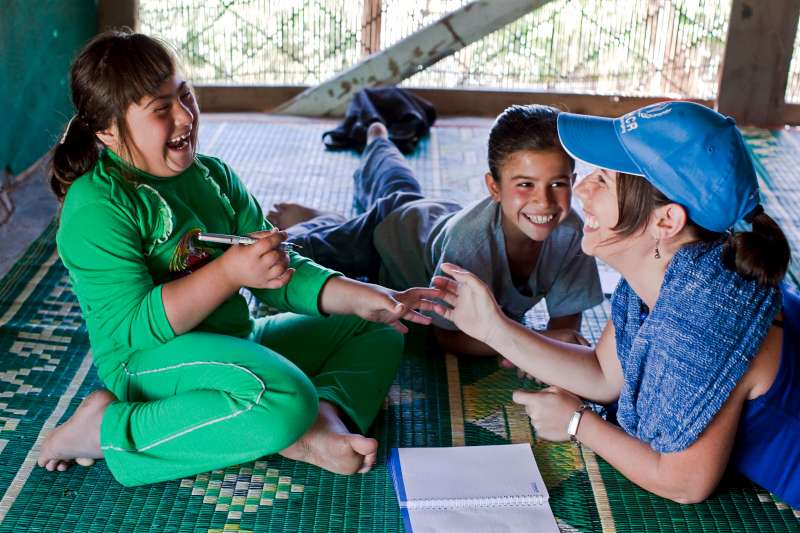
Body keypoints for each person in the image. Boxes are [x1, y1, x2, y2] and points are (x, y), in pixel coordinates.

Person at [37, 30, 441, 487]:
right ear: (108, 130)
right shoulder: (96, 205)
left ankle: (322, 419)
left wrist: (367, 295)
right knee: (283, 395)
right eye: (161, 108)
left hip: (236, 343)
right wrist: (229, 273)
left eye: (185, 96)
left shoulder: (214, 177)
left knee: (376, 326)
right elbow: (133, 327)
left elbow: (280, 273)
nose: (185, 117)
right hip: (146, 363)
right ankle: (108, 430)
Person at [431, 101, 799, 507]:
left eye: (603, 180)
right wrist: (493, 328)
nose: (581, 189)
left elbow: (683, 483)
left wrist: (576, 422)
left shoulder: (705, 323)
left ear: (666, 222)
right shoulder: (676, 279)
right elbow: (604, 373)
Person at [268, 105, 604, 356]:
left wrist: (542, 345)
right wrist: (529, 346)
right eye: (525, 184)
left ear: (573, 182)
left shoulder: (572, 235)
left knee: (393, 177)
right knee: (284, 258)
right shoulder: (468, 245)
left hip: (429, 218)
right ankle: (330, 209)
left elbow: (565, 328)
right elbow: (447, 337)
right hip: (385, 236)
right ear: (494, 188)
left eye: (557, 183)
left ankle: (376, 143)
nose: (543, 201)